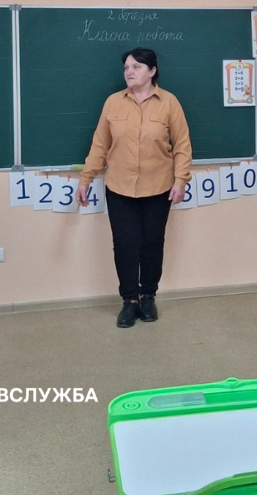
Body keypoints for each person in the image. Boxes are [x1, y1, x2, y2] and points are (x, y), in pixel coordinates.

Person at [77, 48, 192, 329]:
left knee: (152, 244)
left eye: (136, 66)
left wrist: (180, 181)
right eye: (126, 67)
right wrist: (85, 179)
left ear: (152, 71)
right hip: (119, 188)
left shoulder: (169, 103)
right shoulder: (113, 103)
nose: (129, 71)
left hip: (158, 187)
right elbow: (100, 145)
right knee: (125, 245)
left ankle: (148, 296)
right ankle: (129, 300)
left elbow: (182, 145)